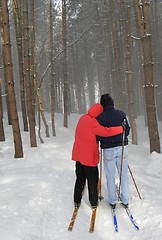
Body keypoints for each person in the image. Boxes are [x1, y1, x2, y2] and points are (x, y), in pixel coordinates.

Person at [72, 103, 124, 209]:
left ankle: (76, 200)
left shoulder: (82, 118)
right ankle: (93, 202)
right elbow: (106, 132)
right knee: (92, 181)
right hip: (89, 158)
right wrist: (120, 129)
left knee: (80, 179)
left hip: (78, 156)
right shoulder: (93, 123)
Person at [97, 94, 130, 209]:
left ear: (102, 105)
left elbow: (99, 135)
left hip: (108, 150)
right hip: (122, 148)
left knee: (110, 176)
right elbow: (127, 130)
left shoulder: (100, 117)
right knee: (123, 175)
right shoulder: (121, 114)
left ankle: (112, 201)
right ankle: (125, 199)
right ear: (112, 103)